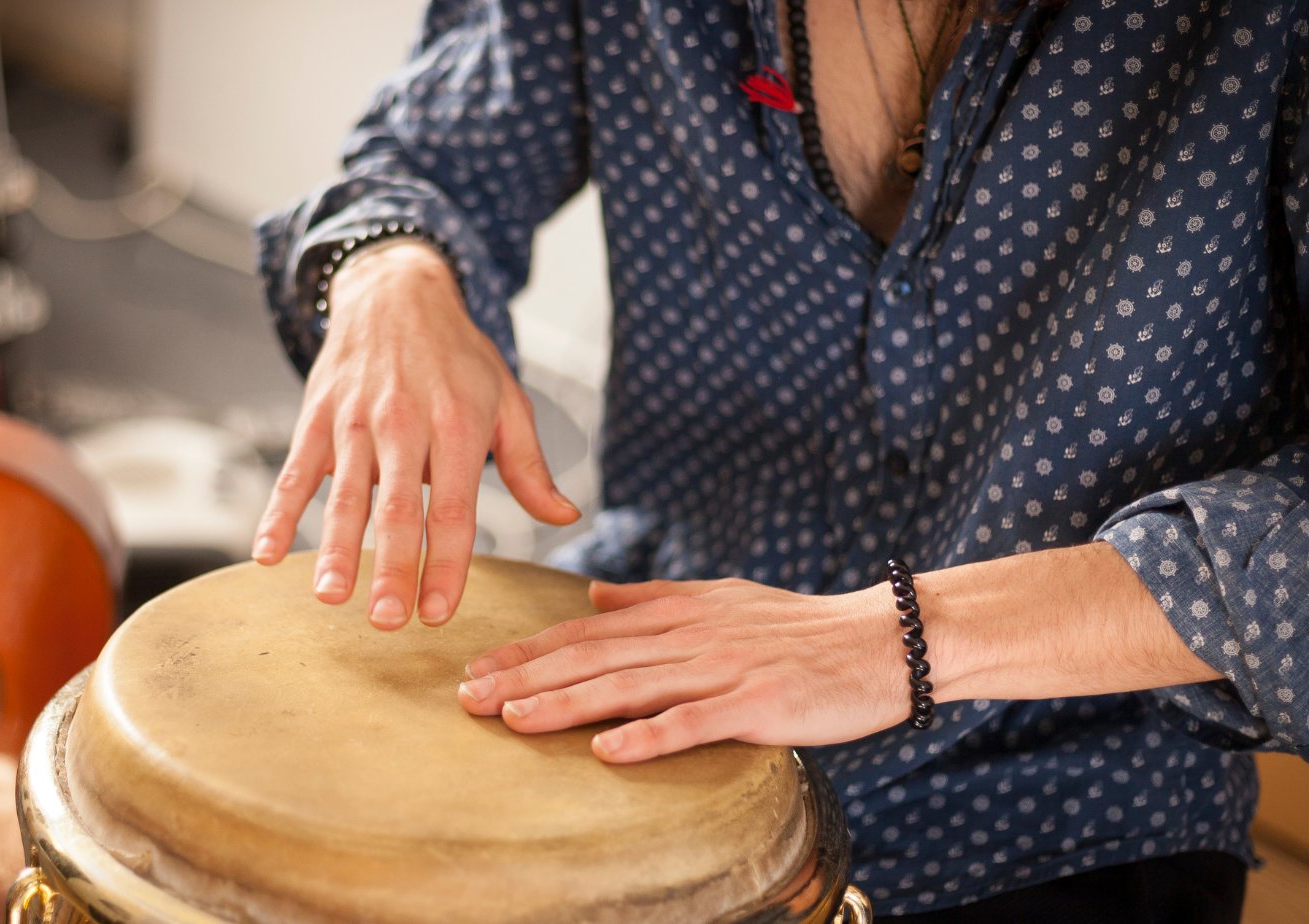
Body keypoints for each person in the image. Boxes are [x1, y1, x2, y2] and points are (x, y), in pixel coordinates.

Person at [253, 0, 1309, 920]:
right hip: (649, 668)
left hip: (1072, 797)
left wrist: (903, 639)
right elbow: (424, 163)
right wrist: (388, 272)